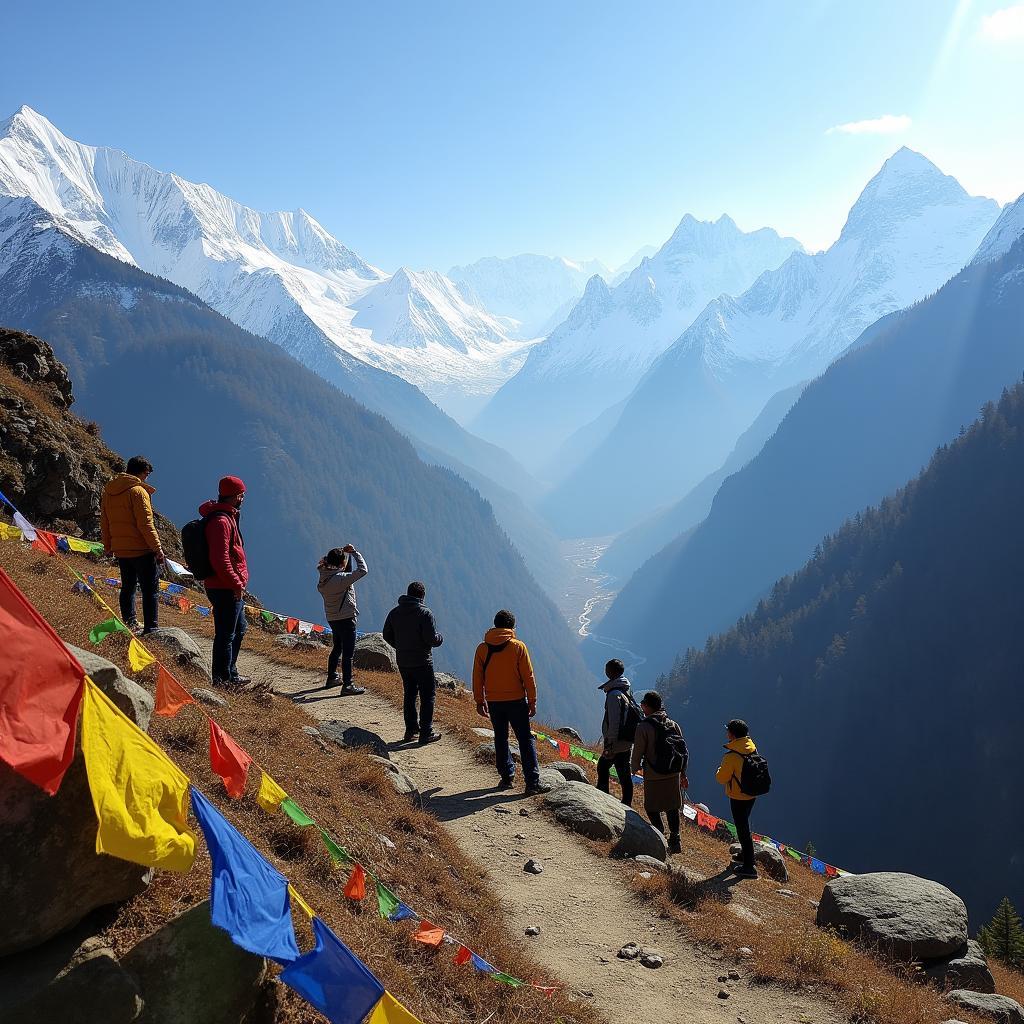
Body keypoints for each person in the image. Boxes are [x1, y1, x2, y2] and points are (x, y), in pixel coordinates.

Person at [472, 609, 550, 796]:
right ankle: (532, 782)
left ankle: (506, 776)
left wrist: (479, 700)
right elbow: (528, 676)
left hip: (494, 701)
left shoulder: (482, 648)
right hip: (516, 700)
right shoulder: (518, 647)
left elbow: (477, 677)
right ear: (512, 627)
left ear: (495, 624)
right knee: (525, 738)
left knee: (501, 737)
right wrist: (532, 700)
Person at [100, 456, 165, 635]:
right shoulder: (138, 491)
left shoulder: (108, 492)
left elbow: (104, 521)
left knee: (127, 587)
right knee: (150, 589)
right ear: (144, 472)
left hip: (121, 550)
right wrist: (157, 548)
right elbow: (145, 524)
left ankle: (129, 623)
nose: (147, 478)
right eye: (147, 474)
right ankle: (151, 629)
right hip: (142, 549)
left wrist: (108, 546)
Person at [200, 476, 251, 687]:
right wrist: (236, 584)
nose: (243, 499)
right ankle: (222, 680)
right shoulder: (221, 521)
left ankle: (231, 672)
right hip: (224, 587)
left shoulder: (227, 517)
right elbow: (219, 559)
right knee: (226, 635)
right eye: (242, 495)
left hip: (227, 585)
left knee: (239, 629)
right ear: (236, 496)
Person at [383, 581, 443, 744]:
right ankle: (426, 732)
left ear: (408, 593)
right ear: (422, 596)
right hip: (422, 661)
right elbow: (431, 639)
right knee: (428, 695)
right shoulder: (425, 613)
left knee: (409, 694)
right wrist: (439, 638)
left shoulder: (394, 612)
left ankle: (410, 731)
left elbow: (386, 634)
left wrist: (400, 646)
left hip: (403, 661)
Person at [631, 691, 688, 855]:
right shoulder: (672, 724)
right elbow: (682, 750)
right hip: (673, 773)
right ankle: (675, 839)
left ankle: (659, 832)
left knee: (651, 806)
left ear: (647, 706)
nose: (642, 706)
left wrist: (634, 768)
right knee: (672, 807)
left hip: (654, 774)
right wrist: (683, 773)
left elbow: (638, 752)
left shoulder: (644, 726)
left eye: (643, 704)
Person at [317, 545, 368, 694]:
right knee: (348, 653)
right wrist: (354, 553)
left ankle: (332, 677)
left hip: (332, 618)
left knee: (337, 647)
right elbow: (363, 570)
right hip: (346, 618)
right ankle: (348, 685)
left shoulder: (324, 576)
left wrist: (346, 555)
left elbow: (344, 572)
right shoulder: (341, 579)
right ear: (341, 564)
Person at [716, 718, 758, 879]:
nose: (726, 733)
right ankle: (745, 856)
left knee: (742, 828)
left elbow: (721, 778)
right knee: (744, 825)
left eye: (728, 730)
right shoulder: (751, 748)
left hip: (738, 795)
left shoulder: (732, 756)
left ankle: (749, 867)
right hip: (751, 793)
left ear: (732, 734)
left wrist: (720, 769)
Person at [596, 659, 635, 807]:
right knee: (624, 772)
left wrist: (610, 743)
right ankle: (626, 803)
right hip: (626, 740)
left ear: (610, 672)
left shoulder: (614, 694)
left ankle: (602, 795)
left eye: (607, 669)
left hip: (616, 741)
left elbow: (614, 721)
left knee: (603, 766)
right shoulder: (625, 688)